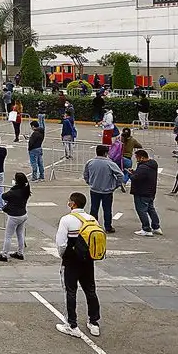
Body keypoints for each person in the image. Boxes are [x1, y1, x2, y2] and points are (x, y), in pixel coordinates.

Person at [54, 192, 102, 338]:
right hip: (88, 260)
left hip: (72, 260)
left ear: (72, 204)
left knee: (70, 291)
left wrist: (64, 256)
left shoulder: (66, 220)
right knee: (90, 290)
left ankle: (72, 324)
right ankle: (94, 322)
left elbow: (61, 243)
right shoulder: (92, 219)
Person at [83, 144, 125, 233]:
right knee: (107, 209)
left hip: (94, 189)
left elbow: (85, 174)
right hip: (107, 191)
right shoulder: (110, 163)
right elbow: (120, 175)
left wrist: (89, 182)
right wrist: (116, 185)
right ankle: (108, 227)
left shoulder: (90, 162)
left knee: (94, 209)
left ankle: (93, 226)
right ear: (106, 153)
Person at [0, 172, 31, 262]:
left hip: (14, 216)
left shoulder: (14, 192)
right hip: (23, 214)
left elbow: (4, 196)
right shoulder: (25, 189)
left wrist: (13, 188)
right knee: (20, 234)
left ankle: (4, 254)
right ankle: (20, 253)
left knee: (8, 236)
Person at [130, 150, 162, 236]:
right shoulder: (152, 164)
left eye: (137, 158)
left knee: (141, 210)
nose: (136, 160)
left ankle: (146, 229)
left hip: (142, 192)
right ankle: (156, 227)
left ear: (142, 157)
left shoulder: (143, 167)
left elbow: (135, 178)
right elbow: (141, 175)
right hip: (150, 191)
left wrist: (131, 174)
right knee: (151, 209)